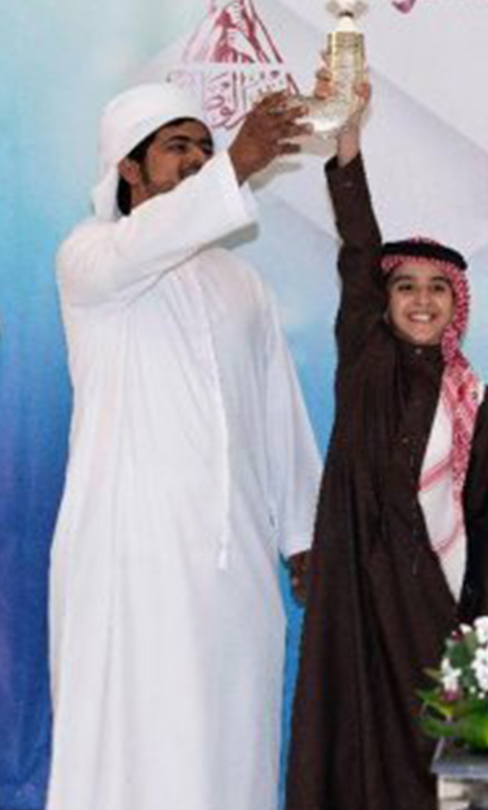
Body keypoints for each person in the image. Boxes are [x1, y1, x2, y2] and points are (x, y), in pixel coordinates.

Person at [47, 82, 321, 810]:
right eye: (179, 148)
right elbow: (146, 244)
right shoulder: (91, 257)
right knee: (137, 743)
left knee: (231, 738)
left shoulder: (241, 282)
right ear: (128, 171)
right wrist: (240, 162)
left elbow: (277, 410)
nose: (200, 160)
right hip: (129, 553)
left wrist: (301, 533)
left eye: (206, 147)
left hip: (232, 559)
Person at [286, 74, 488, 810]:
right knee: (354, 735)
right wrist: (347, 141)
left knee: (430, 744)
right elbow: (359, 248)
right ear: (382, 304)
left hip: (433, 596)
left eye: (435, 288)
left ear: (456, 305)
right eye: (404, 286)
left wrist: (480, 631)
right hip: (357, 583)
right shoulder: (366, 356)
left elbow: (483, 522)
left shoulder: (476, 400)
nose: (419, 298)